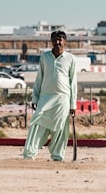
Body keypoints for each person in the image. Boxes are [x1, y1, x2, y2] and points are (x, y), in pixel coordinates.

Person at [23, 30, 77, 162]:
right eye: (55, 39)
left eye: (60, 39)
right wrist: (35, 98)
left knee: (60, 129)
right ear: (51, 41)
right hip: (45, 97)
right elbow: (39, 79)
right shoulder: (45, 57)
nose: (58, 42)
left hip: (62, 98)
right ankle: (29, 154)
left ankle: (57, 156)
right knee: (36, 124)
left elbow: (73, 81)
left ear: (65, 42)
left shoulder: (70, 58)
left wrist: (73, 104)